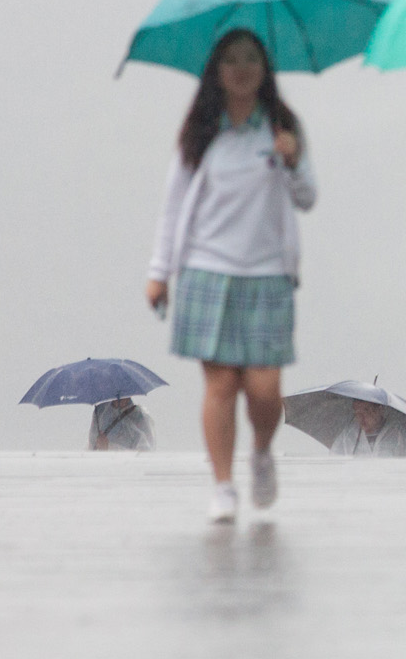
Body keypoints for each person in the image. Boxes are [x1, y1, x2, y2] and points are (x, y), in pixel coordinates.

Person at [145, 28, 316, 523]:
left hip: (267, 276)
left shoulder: (281, 128)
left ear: (265, 71)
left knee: (264, 393)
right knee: (220, 385)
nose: (241, 68)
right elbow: (173, 206)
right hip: (206, 271)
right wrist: (159, 272)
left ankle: (261, 453)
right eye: (231, 60)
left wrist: (294, 161)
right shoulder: (202, 131)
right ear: (216, 72)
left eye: (251, 59)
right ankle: (222, 486)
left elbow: (307, 197)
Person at [328, 399, 406, 458]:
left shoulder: (398, 436)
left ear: (380, 410)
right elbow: (335, 465)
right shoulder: (348, 437)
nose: (361, 417)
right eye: (357, 412)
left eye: (366, 410)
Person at [89, 396, 156, 451]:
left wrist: (109, 448)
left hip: (126, 466)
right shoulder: (100, 412)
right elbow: (91, 446)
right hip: (102, 465)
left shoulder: (140, 417)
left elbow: (146, 453)